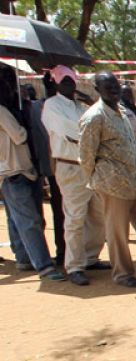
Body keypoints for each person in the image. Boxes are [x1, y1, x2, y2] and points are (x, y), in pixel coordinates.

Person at [79, 72, 136, 288]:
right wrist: (98, 180)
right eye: (108, 86)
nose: (114, 89)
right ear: (97, 89)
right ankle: (122, 274)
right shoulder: (94, 117)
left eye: (115, 85)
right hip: (112, 185)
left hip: (135, 182)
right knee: (118, 231)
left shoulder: (121, 112)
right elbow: (85, 155)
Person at [42, 65, 109, 286]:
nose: (70, 85)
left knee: (98, 216)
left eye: (72, 80)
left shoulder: (82, 107)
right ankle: (74, 266)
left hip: (90, 167)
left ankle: (90, 257)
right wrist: (91, 133)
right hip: (70, 167)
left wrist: (91, 102)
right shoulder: (51, 106)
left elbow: (101, 126)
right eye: (65, 81)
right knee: (75, 218)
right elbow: (71, 131)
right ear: (56, 83)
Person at [0, 73, 64, 281]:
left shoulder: (15, 109)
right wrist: (22, 122)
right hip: (14, 170)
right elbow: (20, 136)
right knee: (29, 220)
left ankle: (24, 258)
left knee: (16, 218)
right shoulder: (2, 111)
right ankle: (44, 265)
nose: (13, 90)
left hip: (24, 168)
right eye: (8, 86)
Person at [28, 72, 68, 268]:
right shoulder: (35, 109)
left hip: (68, 165)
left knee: (70, 213)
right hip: (50, 167)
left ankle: (69, 251)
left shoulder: (68, 107)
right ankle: (61, 252)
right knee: (58, 212)